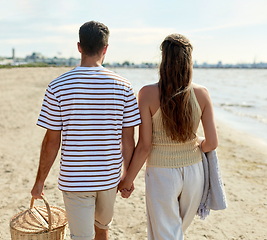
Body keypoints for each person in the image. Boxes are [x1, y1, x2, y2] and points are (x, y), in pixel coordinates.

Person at [31, 21, 141, 240]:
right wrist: (128, 177)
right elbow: (128, 140)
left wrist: (40, 181)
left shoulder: (57, 86)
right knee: (102, 230)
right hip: (109, 178)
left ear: (79, 47)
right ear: (105, 48)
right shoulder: (124, 86)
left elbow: (52, 141)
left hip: (75, 179)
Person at [118, 33, 218, 239]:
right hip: (194, 173)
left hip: (162, 174)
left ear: (164, 60)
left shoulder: (146, 93)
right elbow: (212, 143)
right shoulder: (202, 93)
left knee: (167, 234)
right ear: (189, 61)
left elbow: (145, 146)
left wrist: (128, 179)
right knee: (175, 233)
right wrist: (197, 142)